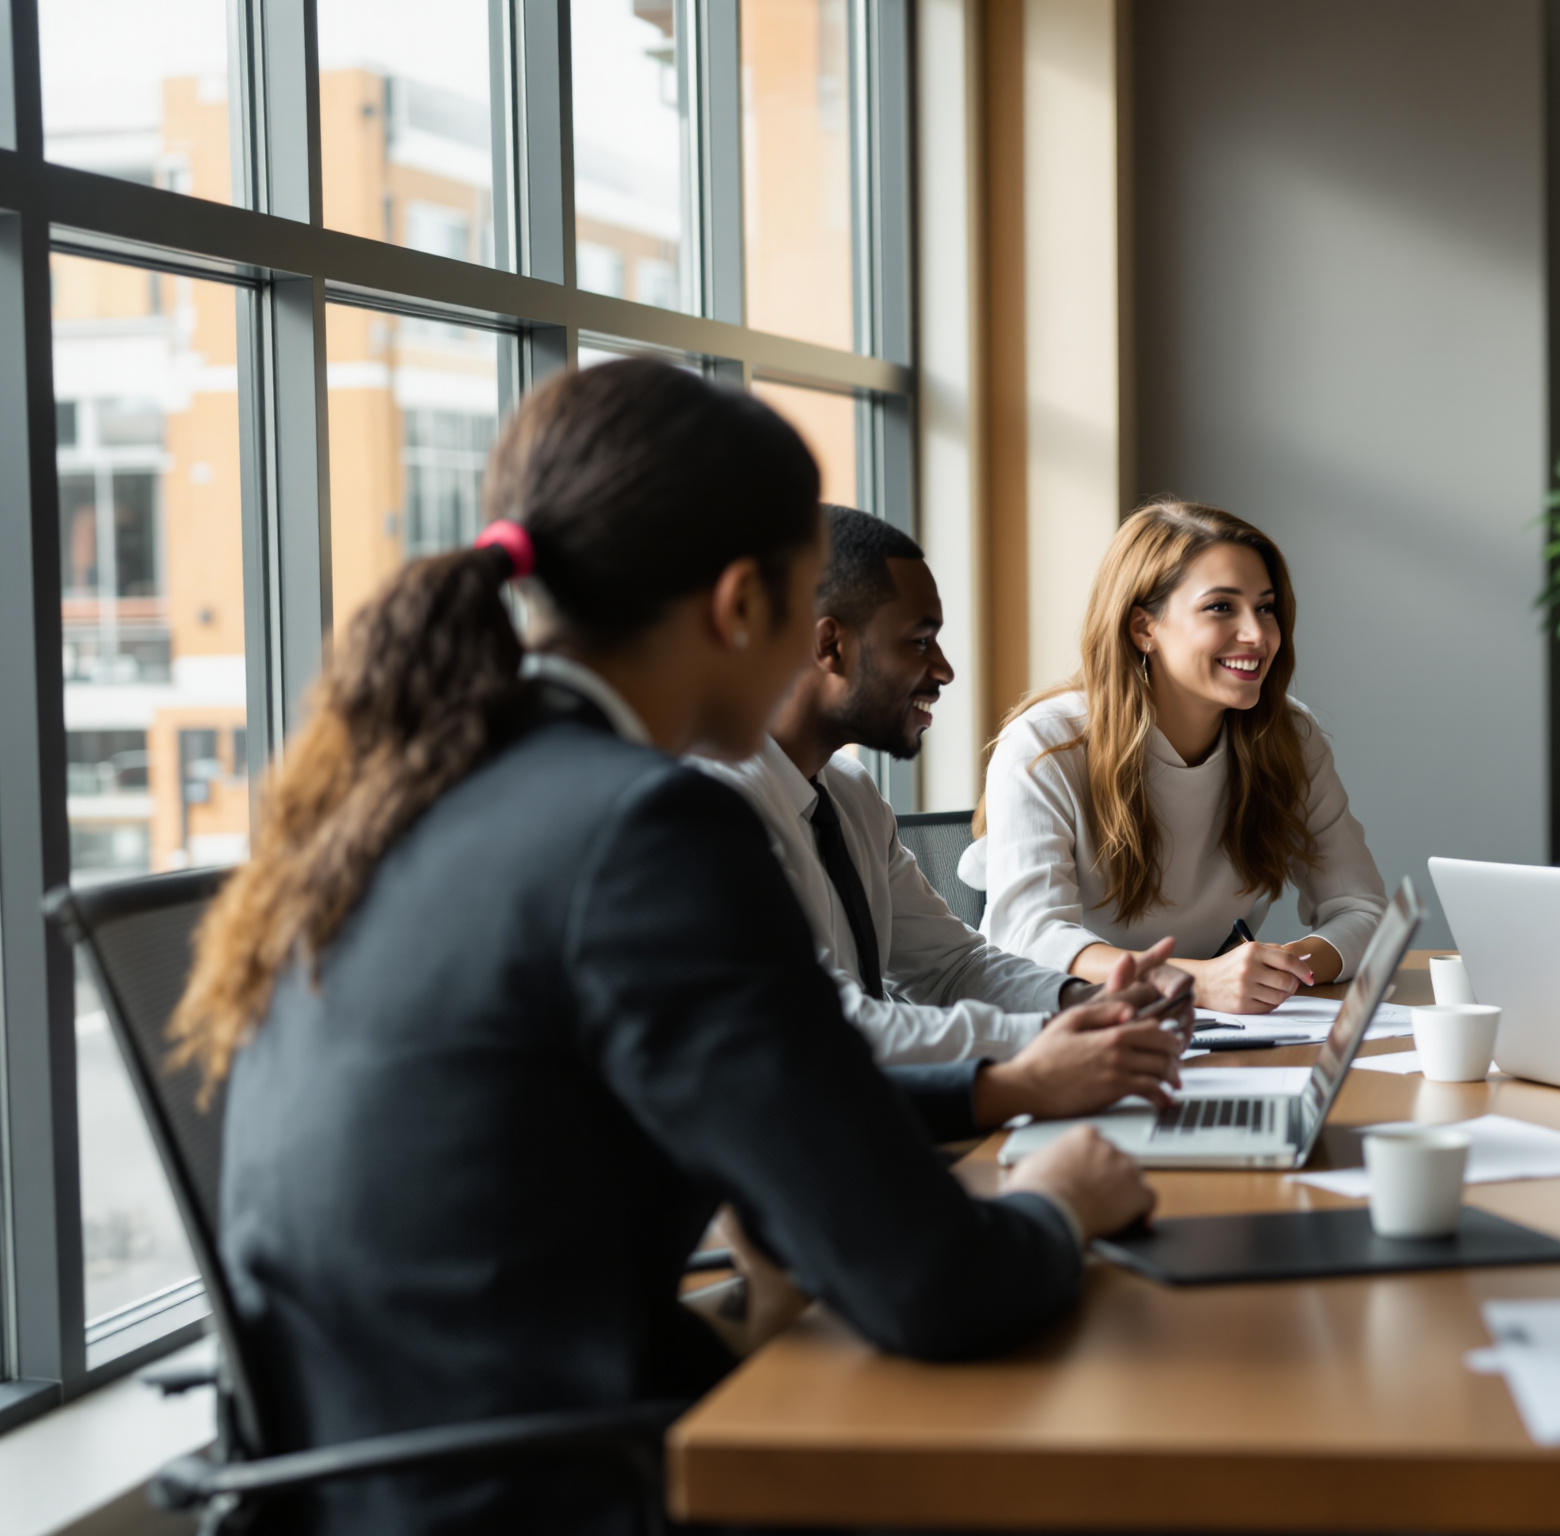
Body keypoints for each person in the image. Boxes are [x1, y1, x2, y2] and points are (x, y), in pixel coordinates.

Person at [174, 360, 1161, 1535]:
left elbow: (770, 1097)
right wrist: (1058, 1204)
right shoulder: (646, 826)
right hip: (555, 1494)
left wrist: (977, 1102)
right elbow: (930, 1287)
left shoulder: (397, 795)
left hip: (378, 1482)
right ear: (744, 604)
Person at [698, 505, 1184, 1113]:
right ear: (830, 645)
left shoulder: (847, 792)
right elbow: (828, 1025)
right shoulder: (710, 807)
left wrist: (1082, 1002)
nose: (945, 669)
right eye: (920, 641)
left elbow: (950, 968)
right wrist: (1044, 1042)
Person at [964, 499, 1387, 1014]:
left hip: (1201, 1030)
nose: (1257, 634)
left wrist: (1278, 970)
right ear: (1144, 628)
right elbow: (1030, 936)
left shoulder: (1289, 737)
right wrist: (1195, 981)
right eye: (1221, 607)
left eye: (1266, 607)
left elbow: (1362, 908)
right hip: (1050, 1027)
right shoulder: (1046, 744)